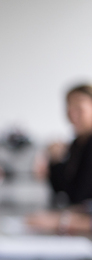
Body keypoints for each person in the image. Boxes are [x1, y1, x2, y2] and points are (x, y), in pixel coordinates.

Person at [28, 84, 92, 234]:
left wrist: (62, 220)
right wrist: (55, 161)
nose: (72, 114)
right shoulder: (78, 143)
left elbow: (81, 196)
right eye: (69, 107)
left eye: (79, 107)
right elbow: (64, 190)